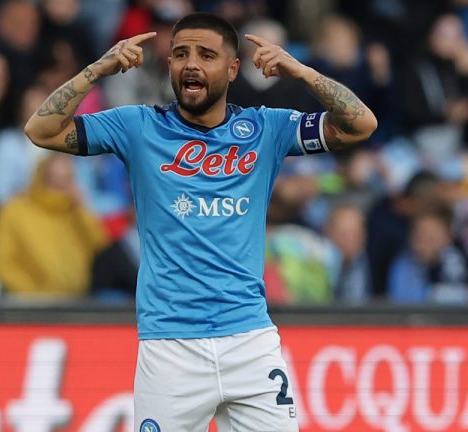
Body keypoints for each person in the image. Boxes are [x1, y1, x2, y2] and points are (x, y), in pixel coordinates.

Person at [24, 12, 376, 431]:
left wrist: (301, 72)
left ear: (232, 69)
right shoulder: (138, 125)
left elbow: (360, 124)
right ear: (169, 65)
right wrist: (99, 68)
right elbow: (42, 130)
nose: (190, 63)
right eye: (180, 54)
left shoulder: (266, 128)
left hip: (249, 341)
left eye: (206, 55)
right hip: (169, 346)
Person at [0, 153, 108, 301]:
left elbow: (100, 246)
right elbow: (4, 264)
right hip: (29, 305)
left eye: (66, 181)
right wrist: (32, 295)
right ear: (41, 177)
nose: (59, 188)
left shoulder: (74, 212)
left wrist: (82, 210)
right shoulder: (14, 211)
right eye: (54, 180)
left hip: (77, 302)